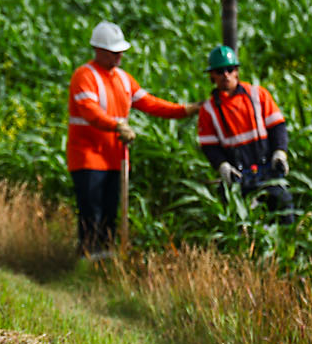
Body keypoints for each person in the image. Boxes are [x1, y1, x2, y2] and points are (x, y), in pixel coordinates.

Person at [66, 21, 200, 256]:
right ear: (99, 50)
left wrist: (183, 110)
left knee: (110, 212)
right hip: (87, 157)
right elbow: (91, 112)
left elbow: (150, 103)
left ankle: (104, 262)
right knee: (92, 212)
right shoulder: (84, 76)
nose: (119, 57)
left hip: (115, 157)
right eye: (114, 52)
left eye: (120, 52)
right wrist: (117, 125)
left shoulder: (123, 79)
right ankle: (86, 260)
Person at [196, 45, 295, 223]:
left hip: (267, 169)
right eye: (220, 71)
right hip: (238, 175)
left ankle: (287, 246)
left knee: (283, 207)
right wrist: (223, 167)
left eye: (229, 69)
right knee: (237, 219)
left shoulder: (258, 95)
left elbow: (277, 127)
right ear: (212, 76)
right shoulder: (208, 110)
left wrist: (280, 153)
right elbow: (210, 147)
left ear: (237, 72)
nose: (225, 74)